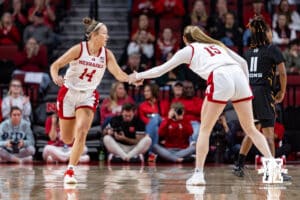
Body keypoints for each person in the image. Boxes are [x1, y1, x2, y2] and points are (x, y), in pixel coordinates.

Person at [129, 25, 282, 185]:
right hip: (239, 76)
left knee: (205, 130)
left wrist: (138, 75)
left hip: (221, 76)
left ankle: (198, 174)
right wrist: (245, 85)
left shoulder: (189, 49)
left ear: (185, 39)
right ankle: (272, 166)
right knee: (250, 129)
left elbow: (161, 70)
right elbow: (243, 63)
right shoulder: (217, 45)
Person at [50, 17, 130, 184]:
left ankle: (70, 171)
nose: (107, 37)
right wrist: (55, 77)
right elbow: (55, 65)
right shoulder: (79, 49)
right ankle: (67, 141)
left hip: (88, 95)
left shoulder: (107, 54)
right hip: (68, 93)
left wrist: (134, 77)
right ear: (93, 35)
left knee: (82, 130)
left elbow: (119, 74)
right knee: (67, 139)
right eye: (104, 34)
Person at [233, 17, 291, 181]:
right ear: (265, 33)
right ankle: (272, 171)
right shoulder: (272, 49)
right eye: (270, 31)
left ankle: (239, 164)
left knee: (252, 131)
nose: (271, 33)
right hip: (263, 93)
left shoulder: (248, 52)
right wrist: (282, 92)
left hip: (249, 92)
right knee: (268, 134)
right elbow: (283, 73)